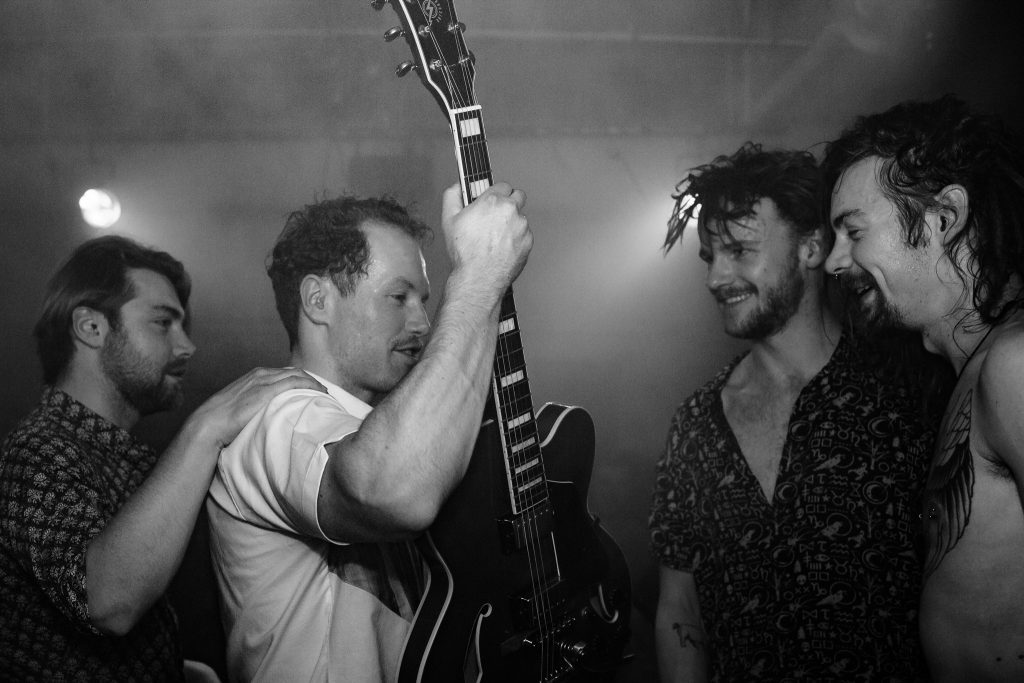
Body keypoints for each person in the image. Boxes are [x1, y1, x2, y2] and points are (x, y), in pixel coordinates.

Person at [205, 182, 531, 682]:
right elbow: (392, 491)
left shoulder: (391, 427)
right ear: (318, 300)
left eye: (423, 299)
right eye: (398, 296)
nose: (422, 323)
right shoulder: (278, 418)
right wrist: (478, 278)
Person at [649, 142, 939, 681]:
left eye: (739, 250)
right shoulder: (695, 425)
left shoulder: (904, 394)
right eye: (710, 256)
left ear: (811, 246)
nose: (715, 277)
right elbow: (679, 608)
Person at [0, 235, 323, 680]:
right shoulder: (38, 449)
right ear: (91, 328)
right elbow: (106, 602)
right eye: (162, 322)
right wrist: (206, 426)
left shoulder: (113, 452)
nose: (187, 346)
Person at [823, 94, 1024, 681]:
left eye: (853, 231)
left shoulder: (1014, 362)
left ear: (943, 217)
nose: (834, 262)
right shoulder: (977, 371)